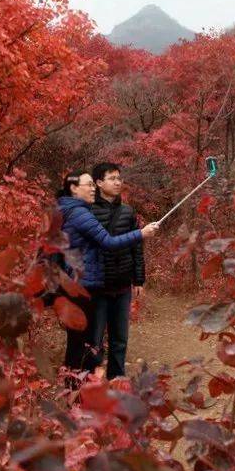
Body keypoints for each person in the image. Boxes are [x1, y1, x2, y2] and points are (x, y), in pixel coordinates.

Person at [55, 171, 159, 376]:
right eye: (89, 185)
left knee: (79, 342)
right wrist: (141, 233)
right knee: (85, 344)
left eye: (93, 185)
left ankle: (80, 387)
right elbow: (108, 242)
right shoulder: (80, 214)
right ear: (74, 188)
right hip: (83, 285)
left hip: (75, 283)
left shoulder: (66, 210)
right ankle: (79, 389)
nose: (92, 188)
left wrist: (137, 277)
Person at [87, 162, 146, 379]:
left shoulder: (127, 211)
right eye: (112, 178)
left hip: (122, 285)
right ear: (99, 183)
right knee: (94, 341)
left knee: (120, 339)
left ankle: (117, 381)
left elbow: (136, 246)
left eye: (119, 178)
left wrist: (138, 280)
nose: (118, 182)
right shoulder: (88, 211)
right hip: (98, 286)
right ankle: (90, 384)